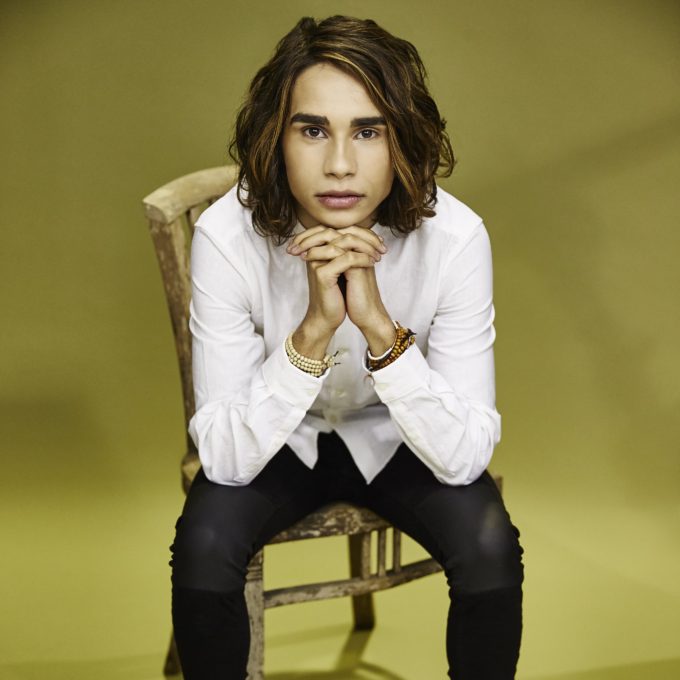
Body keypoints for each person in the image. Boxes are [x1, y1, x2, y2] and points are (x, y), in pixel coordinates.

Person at [169, 14, 524, 679]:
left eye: (368, 131)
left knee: (489, 544)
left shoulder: (455, 239)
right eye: (312, 130)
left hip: (398, 436)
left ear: (403, 140)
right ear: (276, 139)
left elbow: (464, 455)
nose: (339, 164)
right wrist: (313, 332)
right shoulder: (227, 236)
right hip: (277, 436)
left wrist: (380, 329)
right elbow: (223, 457)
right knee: (204, 543)